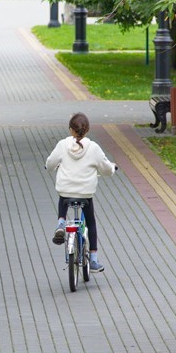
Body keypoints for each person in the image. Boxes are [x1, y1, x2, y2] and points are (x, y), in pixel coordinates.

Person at [45, 112, 116, 273]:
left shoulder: (62, 145)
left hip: (66, 191)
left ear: (70, 129)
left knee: (63, 195)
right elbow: (106, 169)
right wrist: (112, 168)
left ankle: (61, 222)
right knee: (91, 223)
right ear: (88, 130)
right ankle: (93, 259)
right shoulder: (94, 148)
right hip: (85, 194)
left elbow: (50, 163)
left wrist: (49, 167)